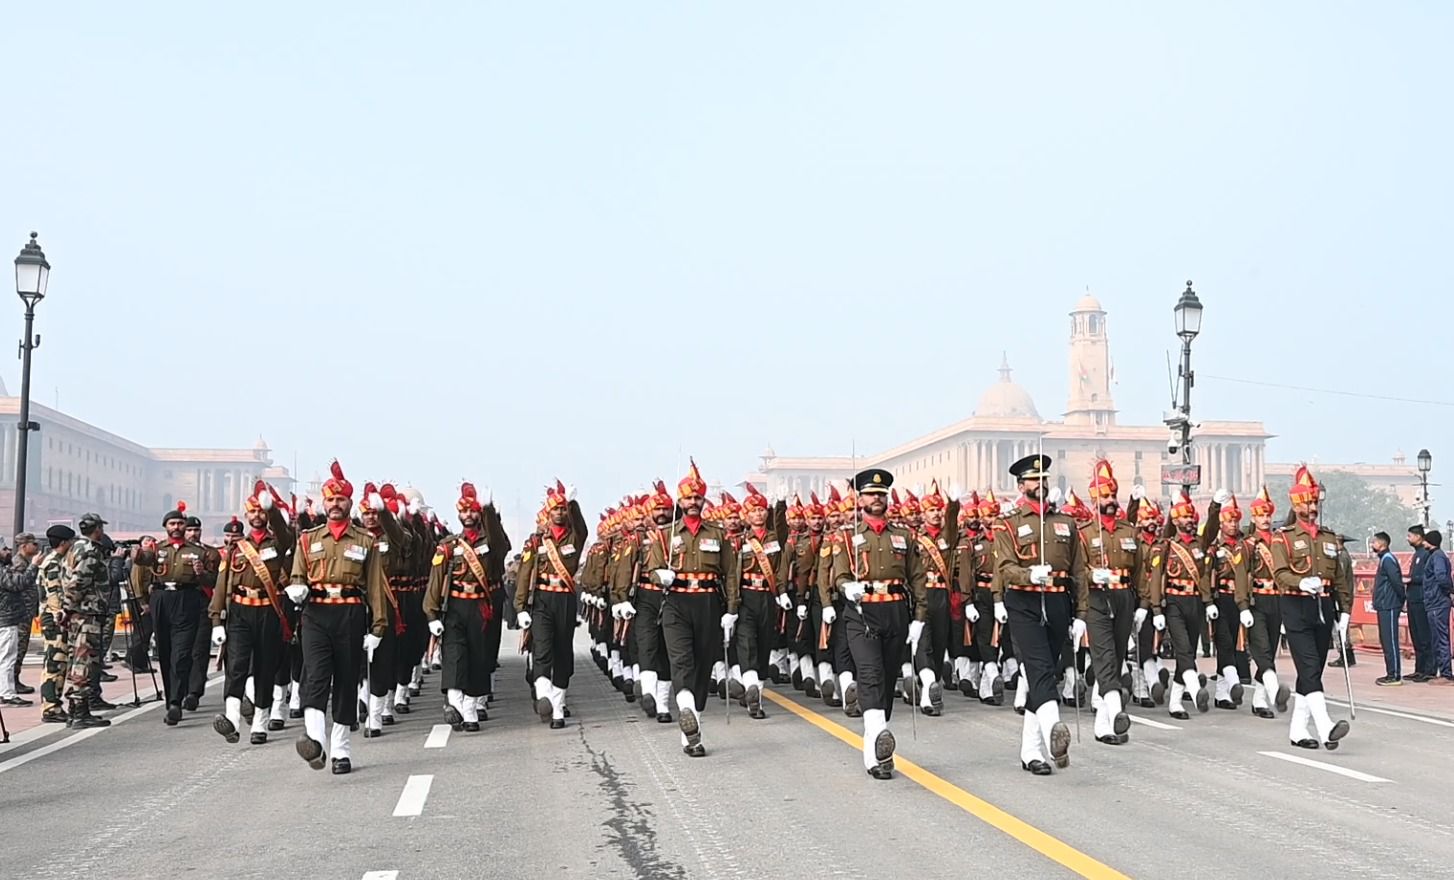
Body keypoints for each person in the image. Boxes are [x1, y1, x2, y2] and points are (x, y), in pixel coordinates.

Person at [288, 461, 389, 774]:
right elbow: (297, 575)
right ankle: (315, 742)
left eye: (341, 499)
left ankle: (341, 749)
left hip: (349, 613)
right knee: (316, 675)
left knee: (346, 681)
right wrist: (296, 588)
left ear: (349, 502)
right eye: (330, 499)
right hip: (315, 613)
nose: (335, 504)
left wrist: (378, 628)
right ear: (323, 502)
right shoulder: (307, 539)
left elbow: (374, 587)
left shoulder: (365, 541)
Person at [992, 454, 1087, 776]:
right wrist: (1028, 575)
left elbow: (1078, 571)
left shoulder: (1066, 523)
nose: (1041, 484)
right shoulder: (1008, 523)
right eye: (1034, 479)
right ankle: (1052, 730)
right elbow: (1004, 568)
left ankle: (1030, 752)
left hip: (1058, 601)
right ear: (1021, 485)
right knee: (1039, 667)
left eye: (1044, 478)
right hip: (1024, 601)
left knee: (1047, 674)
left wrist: (1082, 613)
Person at [831, 467, 925, 779]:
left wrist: (919, 618)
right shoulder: (846, 537)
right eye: (871, 494)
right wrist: (847, 588)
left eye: (881, 494)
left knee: (886, 677)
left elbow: (918, 578)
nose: (877, 499)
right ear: (859, 498)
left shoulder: (903, 536)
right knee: (869, 675)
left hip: (895, 611)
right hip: (862, 612)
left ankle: (875, 739)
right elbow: (839, 575)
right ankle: (878, 748)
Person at [656, 459, 740, 758]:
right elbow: (653, 566)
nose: (693, 502)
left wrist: (731, 609)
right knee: (682, 661)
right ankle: (687, 711)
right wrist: (659, 575)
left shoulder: (717, 534)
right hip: (676, 603)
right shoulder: (666, 535)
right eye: (688, 498)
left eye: (697, 497)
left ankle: (693, 731)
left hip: (707, 602)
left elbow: (730, 573)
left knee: (703, 665)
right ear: (680, 500)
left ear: (704, 500)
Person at [209, 481, 297, 745]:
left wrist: (273, 510)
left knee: (264, 667)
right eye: (253, 512)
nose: (257, 516)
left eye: (261, 512)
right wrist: (217, 620)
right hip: (239, 612)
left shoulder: (279, 542)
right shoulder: (236, 548)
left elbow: (284, 533)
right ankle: (232, 719)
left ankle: (260, 721)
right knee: (236, 666)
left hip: (268, 612)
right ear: (246, 515)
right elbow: (222, 585)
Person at [1271, 465, 1352, 749]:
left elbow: (1340, 577)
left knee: (1313, 670)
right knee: (1307, 665)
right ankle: (1326, 726)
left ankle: (1297, 730)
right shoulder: (1283, 537)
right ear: (1297, 504)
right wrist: (1301, 582)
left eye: (1314, 501)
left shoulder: (1329, 538)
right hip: (1295, 604)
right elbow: (1280, 574)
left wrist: (1345, 611)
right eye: (1307, 501)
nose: (1312, 506)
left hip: (1324, 606)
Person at [423, 482, 510, 733]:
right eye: (464, 512)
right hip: (456, 606)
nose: (468, 516)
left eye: (473, 511)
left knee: (478, 656)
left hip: (480, 606)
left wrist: (489, 510)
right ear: (458, 514)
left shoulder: (491, 542)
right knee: (454, 653)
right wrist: (432, 614)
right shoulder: (449, 546)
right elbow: (435, 580)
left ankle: (471, 708)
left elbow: (499, 544)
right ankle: (455, 703)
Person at [516, 480, 588, 729]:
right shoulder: (536, 542)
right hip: (542, 600)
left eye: (562, 508)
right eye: (555, 509)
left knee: (562, 653)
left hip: (565, 600)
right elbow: (525, 574)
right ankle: (544, 694)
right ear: (548, 513)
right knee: (543, 649)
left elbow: (581, 526)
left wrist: (573, 504)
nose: (559, 512)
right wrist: (521, 607)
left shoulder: (575, 537)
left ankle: (558, 707)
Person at [1079, 460, 1141, 745]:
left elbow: (1139, 568)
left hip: (1123, 597)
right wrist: (1093, 573)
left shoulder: (1129, 530)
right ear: (1095, 500)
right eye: (1105, 496)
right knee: (1103, 655)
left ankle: (1103, 724)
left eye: (1113, 496)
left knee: (1115, 657)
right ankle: (1117, 712)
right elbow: (1077, 570)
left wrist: (1140, 603)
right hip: (1096, 598)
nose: (1111, 501)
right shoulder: (1085, 532)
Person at [133, 506, 209, 725]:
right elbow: (141, 562)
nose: (177, 528)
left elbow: (212, 580)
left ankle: (176, 701)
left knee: (182, 653)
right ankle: (171, 700)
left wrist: (201, 573)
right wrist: (136, 553)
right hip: (162, 599)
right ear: (165, 527)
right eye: (172, 524)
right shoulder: (156, 549)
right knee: (165, 651)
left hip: (187, 599)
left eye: (180, 524)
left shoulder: (198, 551)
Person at [61, 519, 112, 729]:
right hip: (87, 612)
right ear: (97, 529)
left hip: (79, 612)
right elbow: (79, 582)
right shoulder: (90, 551)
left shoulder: (75, 547)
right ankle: (81, 711)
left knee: (77, 658)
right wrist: (68, 606)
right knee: (84, 660)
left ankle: (75, 709)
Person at [38, 526, 77, 723]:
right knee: (54, 662)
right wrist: (60, 616)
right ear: (63, 543)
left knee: (60, 662)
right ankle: (50, 706)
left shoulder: (58, 561)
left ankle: (54, 703)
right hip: (54, 618)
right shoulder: (52, 563)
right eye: (71, 542)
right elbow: (53, 594)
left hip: (58, 616)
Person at [6, 534, 41, 697]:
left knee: (22, 646)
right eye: (33, 544)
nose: (36, 547)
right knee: (18, 648)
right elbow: (18, 584)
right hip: (20, 613)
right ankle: (12, 680)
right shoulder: (19, 563)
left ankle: (15, 679)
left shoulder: (25, 562)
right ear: (23, 546)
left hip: (26, 612)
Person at [1369, 532, 1405, 686]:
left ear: (1382, 544)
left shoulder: (1388, 560)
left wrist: (1401, 599)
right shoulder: (1384, 559)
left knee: (1390, 640)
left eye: (1374, 542)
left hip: (1389, 605)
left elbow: (1396, 582)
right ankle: (1391, 672)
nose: (1372, 545)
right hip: (1384, 605)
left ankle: (1395, 675)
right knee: (1386, 640)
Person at [0, 541, 30, 706]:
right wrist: (34, 568)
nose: (8, 552)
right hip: (6, 619)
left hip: (5, 618)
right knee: (8, 658)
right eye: (4, 549)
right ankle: (7, 693)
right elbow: (17, 584)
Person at [1422, 530, 1453, 683]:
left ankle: (1446, 673)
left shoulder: (1437, 557)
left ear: (1429, 541)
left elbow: (1441, 577)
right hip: (1435, 602)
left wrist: (1449, 591)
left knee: (1441, 638)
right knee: (1437, 638)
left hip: (1437, 603)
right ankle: (1442, 671)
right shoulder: (1435, 556)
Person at [1404, 526, 1434, 682]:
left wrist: (1411, 579)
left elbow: (1427, 576)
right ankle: (1419, 668)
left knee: (1424, 636)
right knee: (1416, 636)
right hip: (1412, 599)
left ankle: (1429, 670)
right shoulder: (1417, 554)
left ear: (1418, 536)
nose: (1408, 539)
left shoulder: (1426, 555)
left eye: (1410, 536)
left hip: (1422, 599)